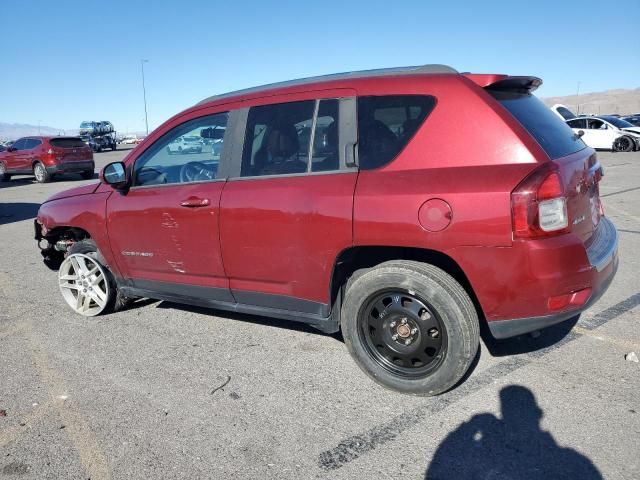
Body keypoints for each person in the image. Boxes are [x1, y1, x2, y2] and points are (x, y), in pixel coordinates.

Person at [425, 385, 602, 479]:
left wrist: (470, 425)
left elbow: (436, 468)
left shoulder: (572, 461)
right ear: (538, 412)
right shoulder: (575, 461)